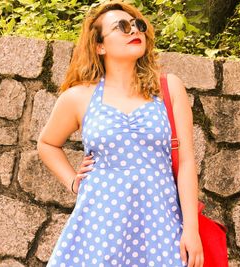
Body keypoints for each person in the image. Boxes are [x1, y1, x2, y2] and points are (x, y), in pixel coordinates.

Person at [37, 1, 203, 266]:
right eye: (122, 27)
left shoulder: (169, 89)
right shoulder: (79, 97)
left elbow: (185, 162)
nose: (133, 31)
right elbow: (47, 143)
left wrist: (191, 230)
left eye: (138, 25)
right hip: (99, 225)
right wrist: (73, 182)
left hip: (159, 223)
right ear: (99, 46)